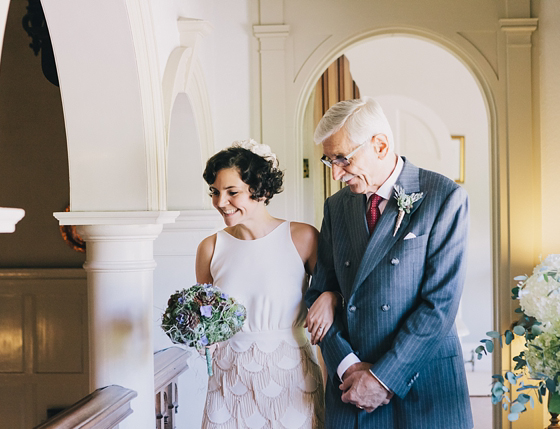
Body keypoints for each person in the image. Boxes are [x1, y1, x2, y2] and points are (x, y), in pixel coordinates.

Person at [305, 97, 473, 428]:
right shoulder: (336, 207)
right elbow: (319, 292)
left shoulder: (444, 198)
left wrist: (382, 378)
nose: (337, 173)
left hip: (423, 381)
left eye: (342, 158)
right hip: (352, 389)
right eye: (330, 161)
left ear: (379, 145)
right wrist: (350, 367)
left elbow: (439, 305)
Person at [196, 139, 338, 429]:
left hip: (292, 376)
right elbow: (205, 321)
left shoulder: (303, 237)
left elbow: (334, 294)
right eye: (215, 192)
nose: (220, 202)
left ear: (260, 190)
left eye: (232, 192)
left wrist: (333, 297)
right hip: (229, 379)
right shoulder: (210, 248)